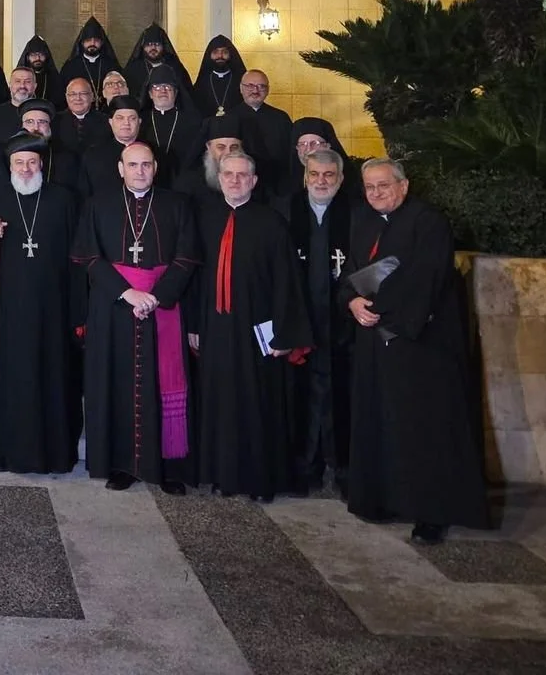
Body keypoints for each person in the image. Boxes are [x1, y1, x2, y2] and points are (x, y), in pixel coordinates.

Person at [342, 158, 490, 544]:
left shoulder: (428, 223)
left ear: (404, 186)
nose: (376, 193)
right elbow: (352, 273)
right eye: (370, 187)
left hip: (418, 346)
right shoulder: (363, 220)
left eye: (384, 185)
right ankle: (381, 498)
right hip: (373, 343)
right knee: (380, 422)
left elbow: (424, 280)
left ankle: (430, 512)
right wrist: (351, 303)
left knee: (421, 429)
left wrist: (378, 311)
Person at [71, 141, 200, 492]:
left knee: (163, 384)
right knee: (117, 384)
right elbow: (88, 257)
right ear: (120, 168)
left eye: (146, 165)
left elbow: (187, 258)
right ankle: (122, 465)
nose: (139, 171)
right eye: (133, 165)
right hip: (114, 309)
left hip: (163, 308)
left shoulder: (177, 205)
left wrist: (156, 296)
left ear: (155, 168)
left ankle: (169, 469)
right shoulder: (98, 205)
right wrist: (127, 293)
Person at [190, 153, 312, 501]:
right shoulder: (205, 218)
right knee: (217, 400)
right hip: (214, 327)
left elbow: (287, 282)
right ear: (220, 178)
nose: (235, 180)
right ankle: (222, 475)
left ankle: (261, 480)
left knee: (258, 404)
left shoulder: (272, 222)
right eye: (228, 174)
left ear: (254, 181)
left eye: (243, 175)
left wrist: (285, 334)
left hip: (258, 330)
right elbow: (196, 277)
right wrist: (194, 325)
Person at [0, 134, 81, 474]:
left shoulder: (63, 200)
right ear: (10, 166)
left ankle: (53, 454)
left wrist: (76, 309)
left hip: (53, 310)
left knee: (52, 379)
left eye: (32, 162)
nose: (26, 168)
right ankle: (2, 452)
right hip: (7, 313)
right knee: (9, 380)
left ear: (42, 165)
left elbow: (77, 258)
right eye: (19, 162)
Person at [286, 148, 355, 493]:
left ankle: (343, 468)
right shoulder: (287, 211)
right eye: (314, 174)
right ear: (304, 176)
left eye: (329, 175)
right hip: (301, 321)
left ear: (341, 179)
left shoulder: (355, 215)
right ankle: (304, 467)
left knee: (342, 396)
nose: (321, 181)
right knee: (303, 396)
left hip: (343, 325)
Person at [235, 69, 293, 197]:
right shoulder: (230, 118)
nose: (255, 91)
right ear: (241, 88)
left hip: (277, 185)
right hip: (241, 184)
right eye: (250, 86)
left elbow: (290, 153)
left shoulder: (281, 118)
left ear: (268, 90)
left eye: (261, 86)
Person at [80, 95, 146, 198]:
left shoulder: (151, 153)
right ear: (111, 122)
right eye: (120, 118)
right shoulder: (93, 154)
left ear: (139, 122)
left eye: (132, 118)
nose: (126, 123)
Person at [142, 70, 201, 185]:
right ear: (150, 94)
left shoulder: (193, 121)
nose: (163, 90)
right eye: (157, 87)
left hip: (182, 181)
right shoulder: (141, 120)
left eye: (168, 87)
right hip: (147, 180)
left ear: (176, 92)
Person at [17, 99, 83, 193]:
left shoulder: (67, 158)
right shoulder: (11, 156)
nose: (36, 128)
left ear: (50, 126)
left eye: (42, 122)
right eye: (29, 122)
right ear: (22, 126)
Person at [174, 118, 247, 200]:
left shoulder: (250, 180)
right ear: (208, 147)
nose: (228, 153)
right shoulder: (188, 183)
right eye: (221, 147)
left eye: (234, 147)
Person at [59, 17, 122, 103]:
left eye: (96, 41)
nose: (92, 44)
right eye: (88, 40)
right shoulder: (70, 67)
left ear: (102, 42)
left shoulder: (111, 65)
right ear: (82, 43)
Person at [123, 24, 193, 100]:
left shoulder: (175, 67)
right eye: (149, 44)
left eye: (157, 44)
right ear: (143, 46)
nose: (153, 48)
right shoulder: (133, 69)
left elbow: (186, 95)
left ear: (163, 46)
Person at [190, 34, 246, 119]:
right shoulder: (202, 84)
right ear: (209, 55)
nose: (220, 56)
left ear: (231, 55)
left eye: (225, 52)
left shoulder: (241, 81)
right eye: (215, 52)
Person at [56, 77, 108, 155]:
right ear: (67, 97)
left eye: (83, 93)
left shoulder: (106, 121)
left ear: (92, 96)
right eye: (73, 94)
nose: (78, 98)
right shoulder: (55, 121)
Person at [0, 66, 37, 144]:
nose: (22, 86)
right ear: (10, 85)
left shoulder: (43, 114)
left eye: (27, 81)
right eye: (17, 81)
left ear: (35, 86)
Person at [19, 35, 60, 104]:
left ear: (46, 56)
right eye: (33, 55)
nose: (38, 58)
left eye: (41, 55)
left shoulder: (54, 78)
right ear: (27, 57)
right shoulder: (20, 78)